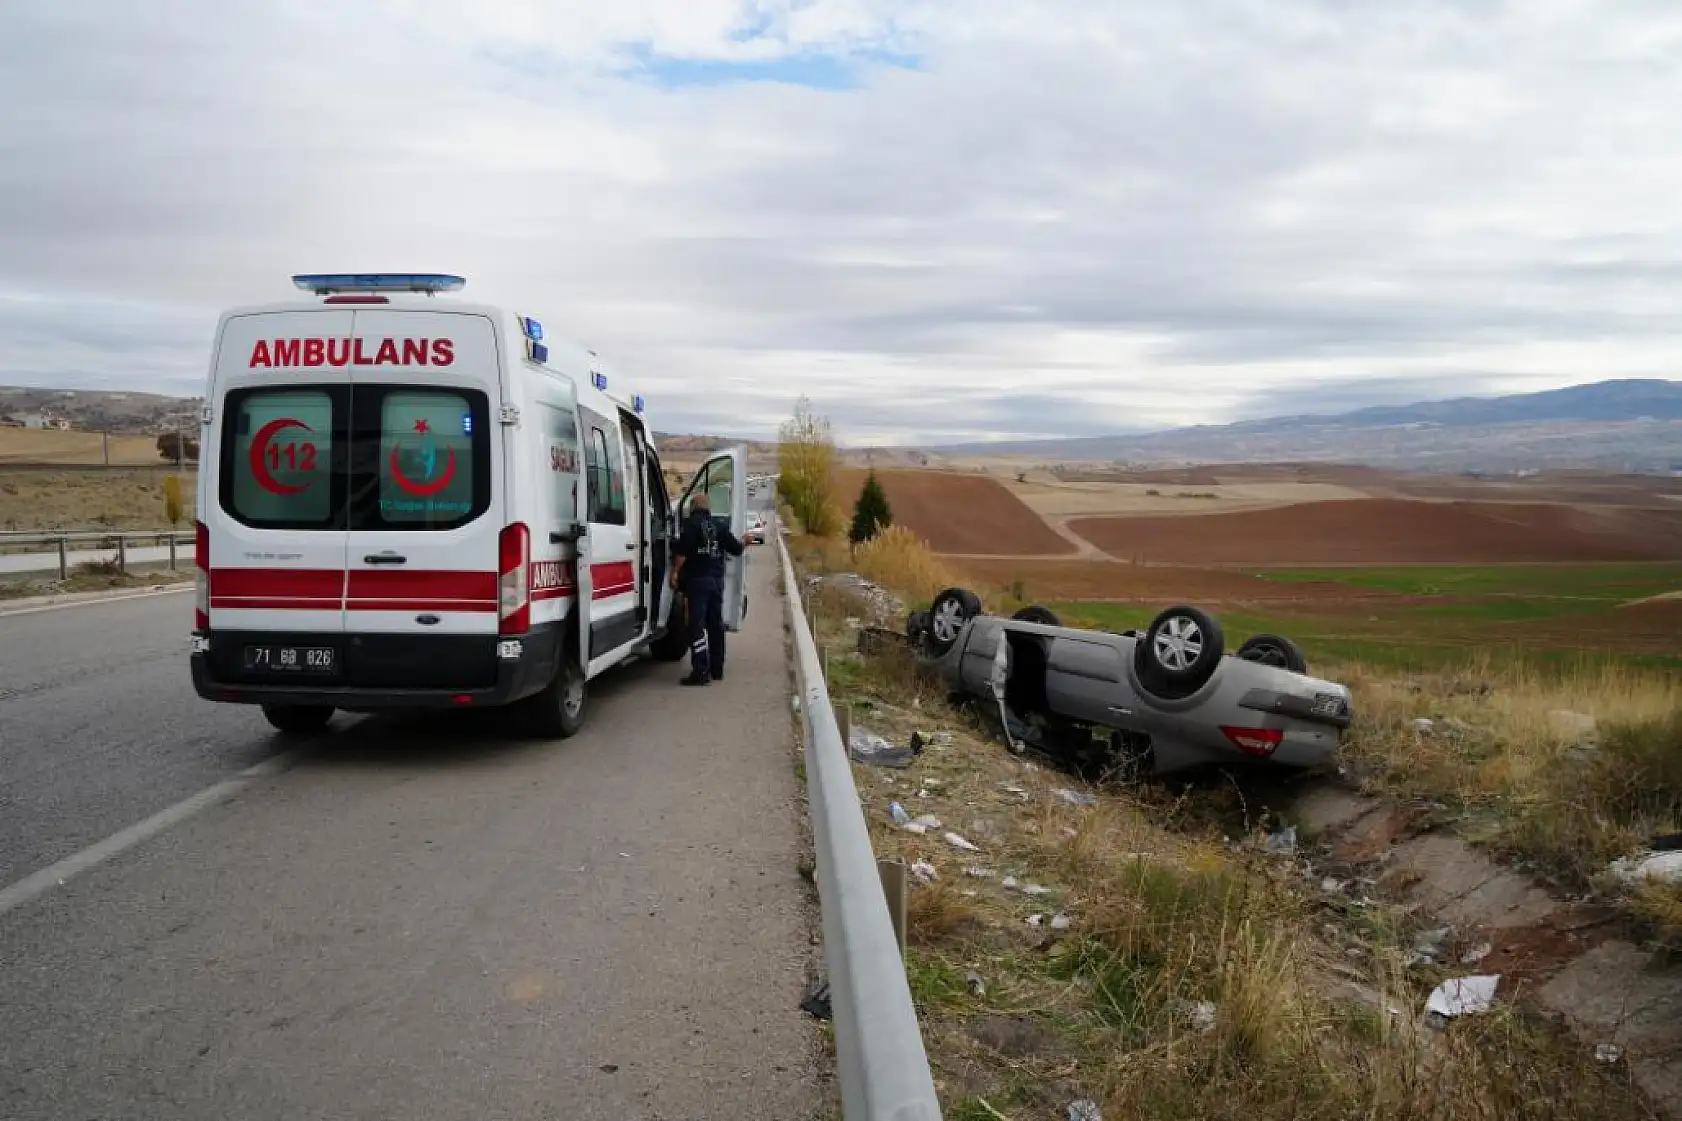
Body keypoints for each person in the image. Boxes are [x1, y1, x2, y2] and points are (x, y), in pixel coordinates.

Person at [669, 491, 745, 686]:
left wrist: (675, 573)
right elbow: (736, 549)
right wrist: (746, 540)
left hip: (698, 582)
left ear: (693, 507)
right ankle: (717, 668)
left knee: (696, 626)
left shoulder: (692, 525)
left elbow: (682, 553)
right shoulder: (719, 526)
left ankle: (700, 671)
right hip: (716, 582)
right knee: (715, 625)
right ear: (708, 508)